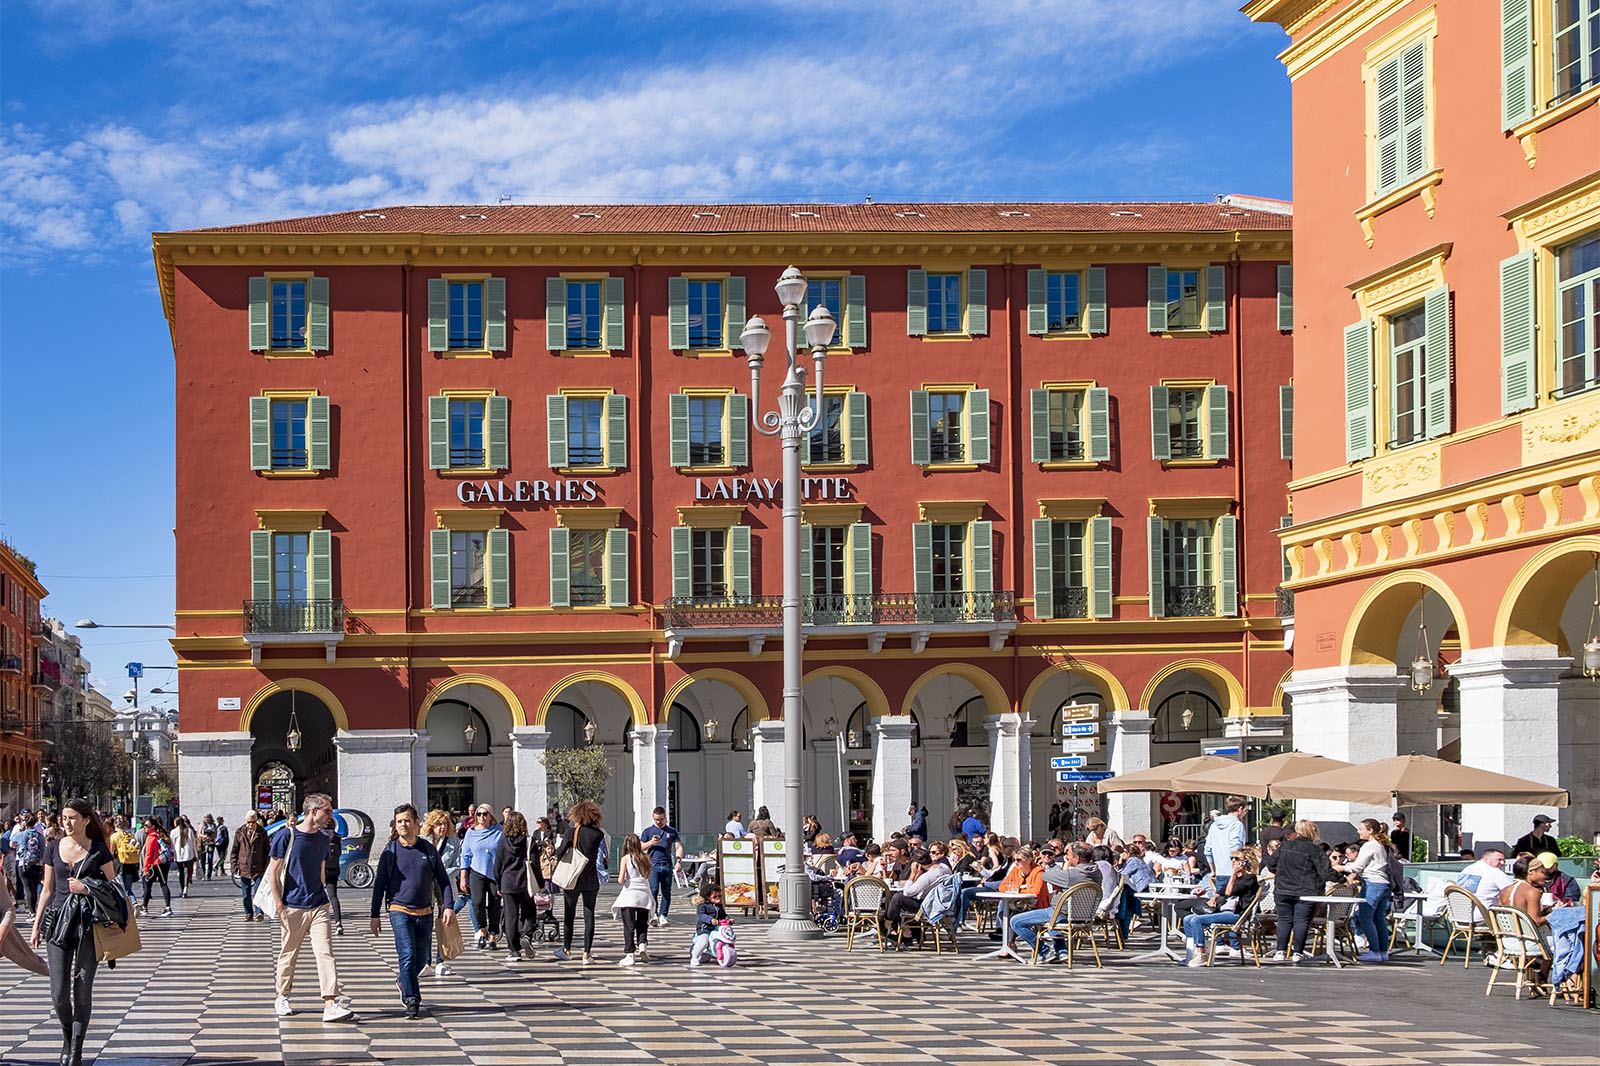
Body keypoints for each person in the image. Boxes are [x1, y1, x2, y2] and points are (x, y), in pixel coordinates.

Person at [29, 799, 115, 1066]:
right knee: (58, 991)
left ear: (86, 820)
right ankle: (68, 1035)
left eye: (72, 817)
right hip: (57, 922)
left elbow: (114, 888)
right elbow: (47, 889)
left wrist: (87, 888)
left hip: (89, 924)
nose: (66, 822)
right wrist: (35, 925)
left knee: (82, 986)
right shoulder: (53, 846)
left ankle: (76, 1049)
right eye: (64, 818)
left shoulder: (99, 849)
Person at [268, 793, 354, 1023]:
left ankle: (330, 1003)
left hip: (318, 904)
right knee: (289, 953)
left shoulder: (324, 838)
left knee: (325, 953)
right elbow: (273, 872)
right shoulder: (287, 835)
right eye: (327, 811)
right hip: (292, 905)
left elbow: (321, 869)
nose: (330, 816)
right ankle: (282, 995)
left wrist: (322, 889)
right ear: (313, 812)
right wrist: (280, 904)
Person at [369, 803, 454, 1021]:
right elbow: (379, 884)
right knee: (406, 955)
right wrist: (375, 915)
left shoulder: (427, 849)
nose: (403, 824)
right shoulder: (390, 851)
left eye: (407, 820)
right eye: (399, 821)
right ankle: (412, 1000)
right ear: (395, 826)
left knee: (419, 961)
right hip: (399, 909)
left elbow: (442, 879)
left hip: (425, 911)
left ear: (417, 824)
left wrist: (449, 906)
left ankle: (403, 981)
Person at [1010, 843, 1097, 961]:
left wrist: (1065, 865)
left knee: (1015, 921)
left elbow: (1045, 876)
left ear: (1076, 858)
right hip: (1085, 915)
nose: (1067, 857)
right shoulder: (1097, 873)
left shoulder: (1071, 875)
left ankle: (1044, 951)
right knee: (1053, 919)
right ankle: (1061, 951)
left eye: (1068, 855)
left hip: (1061, 912)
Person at [1267, 819, 1336, 962]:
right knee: (1301, 921)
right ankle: (1297, 953)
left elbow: (1271, 864)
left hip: (1283, 888)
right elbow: (1326, 872)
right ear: (1312, 832)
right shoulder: (1315, 850)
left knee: (1284, 920)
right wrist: (1342, 879)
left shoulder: (1285, 846)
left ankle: (1280, 951)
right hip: (1306, 890)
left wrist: (1282, 872)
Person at [1177, 847, 1259, 966]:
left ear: (1246, 862)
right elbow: (1221, 890)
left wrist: (1234, 874)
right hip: (1225, 910)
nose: (1233, 861)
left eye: (1237, 859)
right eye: (1232, 858)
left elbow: (1229, 892)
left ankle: (1202, 954)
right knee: (1188, 919)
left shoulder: (1249, 879)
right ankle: (1191, 954)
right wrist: (1214, 898)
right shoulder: (1238, 878)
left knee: (1196, 920)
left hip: (1237, 915)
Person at [1337, 818, 1398, 963]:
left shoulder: (1369, 846)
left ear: (1370, 831)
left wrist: (1340, 868)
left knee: (1365, 916)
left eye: (1361, 828)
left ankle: (1374, 951)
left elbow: (1356, 867)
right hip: (1384, 884)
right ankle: (1383, 952)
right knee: (1379, 918)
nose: (1358, 831)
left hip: (1372, 883)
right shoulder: (1382, 845)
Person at [552, 799, 606, 963]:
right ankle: (586, 953)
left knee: (570, 914)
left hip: (573, 878)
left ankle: (567, 949)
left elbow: (560, 851)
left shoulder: (571, 832)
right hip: (591, 880)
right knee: (589, 915)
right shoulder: (599, 834)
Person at [422, 808, 469, 977]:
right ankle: (425, 962)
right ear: (431, 826)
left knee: (443, 924)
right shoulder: (422, 841)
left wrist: (441, 874)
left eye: (444, 824)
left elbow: (457, 864)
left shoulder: (453, 842)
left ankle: (440, 961)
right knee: (426, 924)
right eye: (438, 824)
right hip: (426, 887)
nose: (441, 827)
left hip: (444, 887)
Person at [1491, 856, 1554, 980]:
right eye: (1542, 872)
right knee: (1563, 942)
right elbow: (1535, 921)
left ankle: (1532, 980)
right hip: (1529, 942)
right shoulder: (1532, 892)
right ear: (1531, 872)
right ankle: (1542, 979)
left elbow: (1518, 916)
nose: (1545, 876)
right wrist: (1554, 914)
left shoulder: (1504, 891)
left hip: (1509, 941)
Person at [495, 812, 538, 964]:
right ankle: (527, 935)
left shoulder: (503, 843)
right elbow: (535, 864)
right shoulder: (529, 842)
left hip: (507, 882)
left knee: (510, 916)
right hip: (525, 883)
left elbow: (498, 866)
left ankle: (514, 950)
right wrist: (541, 883)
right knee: (529, 911)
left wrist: (498, 883)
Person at [459, 805, 503, 951]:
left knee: (494, 904)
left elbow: (505, 851)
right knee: (477, 902)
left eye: (485, 814)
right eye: (479, 814)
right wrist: (463, 877)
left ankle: (492, 935)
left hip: (495, 872)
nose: (482, 817)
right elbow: (465, 855)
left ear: (491, 816)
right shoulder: (470, 833)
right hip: (477, 871)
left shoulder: (499, 831)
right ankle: (482, 930)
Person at [612, 833, 654, 966]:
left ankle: (630, 954)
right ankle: (642, 945)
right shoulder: (646, 858)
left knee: (629, 926)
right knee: (642, 923)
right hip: (644, 895)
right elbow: (647, 875)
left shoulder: (626, 858)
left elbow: (620, 880)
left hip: (630, 895)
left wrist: (625, 879)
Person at [639, 806, 683, 927]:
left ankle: (663, 915)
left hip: (667, 864)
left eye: (662, 819)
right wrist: (651, 843)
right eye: (657, 819)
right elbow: (641, 847)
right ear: (653, 818)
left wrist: (678, 860)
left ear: (665, 817)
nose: (659, 822)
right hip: (653, 864)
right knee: (653, 891)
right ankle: (653, 914)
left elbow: (678, 846)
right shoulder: (648, 831)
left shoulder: (672, 831)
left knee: (666, 892)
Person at [230, 811, 271, 920]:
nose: (251, 824)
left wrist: (267, 866)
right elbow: (234, 850)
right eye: (249, 822)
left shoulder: (262, 832)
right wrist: (234, 866)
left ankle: (259, 913)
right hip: (244, 867)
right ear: (245, 821)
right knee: (246, 894)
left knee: (258, 891)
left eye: (253, 822)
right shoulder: (240, 832)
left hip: (258, 867)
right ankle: (248, 913)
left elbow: (267, 851)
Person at [1205, 797, 1249, 881]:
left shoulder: (1214, 825)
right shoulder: (1237, 825)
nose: (1244, 814)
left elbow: (1207, 850)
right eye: (1245, 811)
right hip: (1234, 872)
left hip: (1219, 872)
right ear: (1240, 809)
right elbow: (1235, 849)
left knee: (1221, 894)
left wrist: (1213, 871)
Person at [139, 817, 174, 917]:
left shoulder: (151, 838)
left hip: (156, 864)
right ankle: (145, 907)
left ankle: (166, 907)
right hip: (161, 863)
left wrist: (145, 868)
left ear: (152, 827)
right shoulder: (156, 836)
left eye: (147, 826)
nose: (144, 827)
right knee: (156, 884)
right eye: (144, 825)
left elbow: (148, 854)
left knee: (155, 884)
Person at [689, 887, 728, 966]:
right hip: (705, 928)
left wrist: (728, 919)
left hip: (716, 928)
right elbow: (701, 915)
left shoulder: (719, 906)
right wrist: (710, 920)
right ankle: (694, 957)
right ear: (707, 896)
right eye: (715, 897)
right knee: (704, 941)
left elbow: (724, 915)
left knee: (723, 939)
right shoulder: (703, 906)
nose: (718, 898)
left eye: (719, 896)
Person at [16, 812, 45, 915]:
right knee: (34, 888)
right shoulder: (39, 836)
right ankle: (35, 910)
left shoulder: (22, 834)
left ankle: (32, 912)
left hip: (23, 864)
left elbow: (11, 842)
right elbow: (43, 851)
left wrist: (21, 829)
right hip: (37, 864)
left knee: (27, 888)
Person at [109, 816, 141, 899]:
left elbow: (111, 853)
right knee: (128, 889)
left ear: (115, 824)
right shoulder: (130, 835)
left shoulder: (114, 836)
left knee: (119, 889)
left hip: (119, 865)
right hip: (130, 865)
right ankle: (133, 903)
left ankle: (127, 908)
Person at [173, 816, 199, 898]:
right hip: (189, 854)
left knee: (181, 872)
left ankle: (182, 889)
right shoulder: (189, 830)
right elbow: (193, 843)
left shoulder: (173, 832)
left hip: (178, 855)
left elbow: (172, 845)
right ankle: (185, 888)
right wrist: (196, 855)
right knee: (187, 871)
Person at [198, 816, 217, 880]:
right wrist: (204, 836)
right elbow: (199, 834)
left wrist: (211, 837)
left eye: (208, 818)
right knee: (202, 860)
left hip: (211, 843)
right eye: (205, 818)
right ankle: (203, 875)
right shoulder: (202, 824)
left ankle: (209, 875)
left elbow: (215, 834)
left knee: (210, 859)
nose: (206, 819)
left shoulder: (213, 825)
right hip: (203, 843)